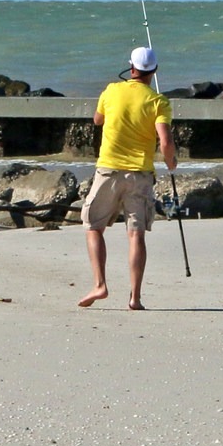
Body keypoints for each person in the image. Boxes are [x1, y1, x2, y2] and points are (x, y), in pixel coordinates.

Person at [78, 45, 176, 311]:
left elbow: (98, 120)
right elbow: (165, 141)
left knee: (93, 226)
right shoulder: (159, 102)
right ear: (153, 71)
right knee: (136, 235)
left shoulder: (111, 90)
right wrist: (171, 162)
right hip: (140, 175)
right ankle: (135, 297)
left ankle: (100, 284)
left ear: (130, 68)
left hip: (108, 170)